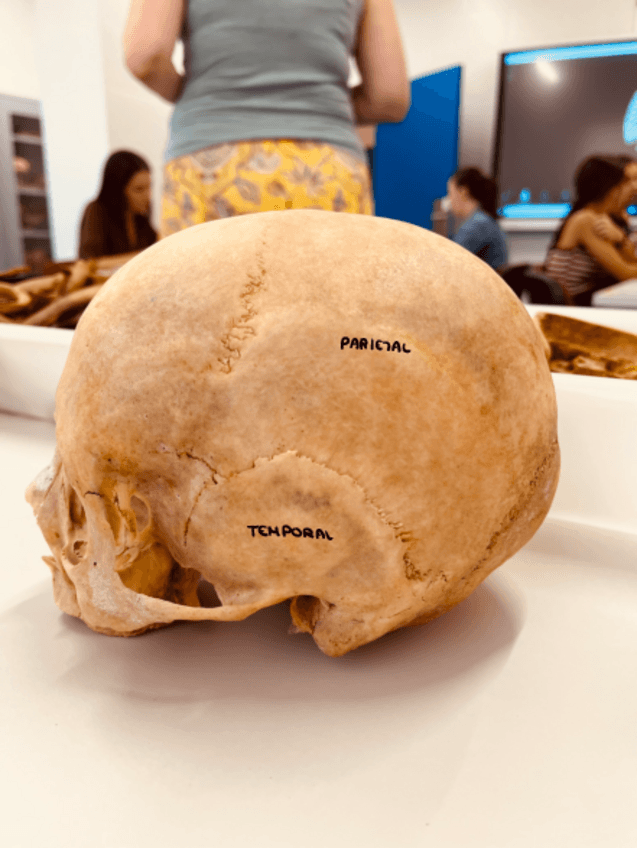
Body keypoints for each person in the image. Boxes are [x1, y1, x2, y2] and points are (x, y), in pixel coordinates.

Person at [123, 0, 410, 235]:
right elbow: (390, 97)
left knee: (202, 288)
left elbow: (146, 57)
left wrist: (199, 98)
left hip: (210, 166)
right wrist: (322, 106)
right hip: (327, 169)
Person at [544, 155, 637, 305]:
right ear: (610, 188)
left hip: (586, 300)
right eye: (626, 182)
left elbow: (631, 261)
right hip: (573, 306)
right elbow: (625, 272)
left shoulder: (607, 218)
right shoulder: (587, 220)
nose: (634, 188)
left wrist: (621, 239)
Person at [78, 150, 157, 260]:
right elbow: (90, 262)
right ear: (118, 190)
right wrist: (141, 257)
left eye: (149, 187)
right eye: (139, 189)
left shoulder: (140, 215)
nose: (147, 196)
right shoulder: (96, 210)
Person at [446, 167, 508, 270]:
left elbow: (451, 262)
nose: (449, 200)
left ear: (463, 192)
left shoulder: (477, 225)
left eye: (450, 193)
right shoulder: (484, 221)